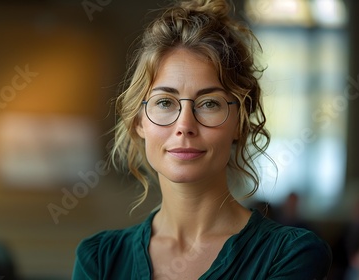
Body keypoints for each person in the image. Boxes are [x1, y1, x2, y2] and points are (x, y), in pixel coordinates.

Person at [72, 0, 332, 279]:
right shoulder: (99, 258)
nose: (185, 126)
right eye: (165, 103)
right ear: (139, 121)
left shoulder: (290, 254)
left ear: (239, 124)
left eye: (209, 104)